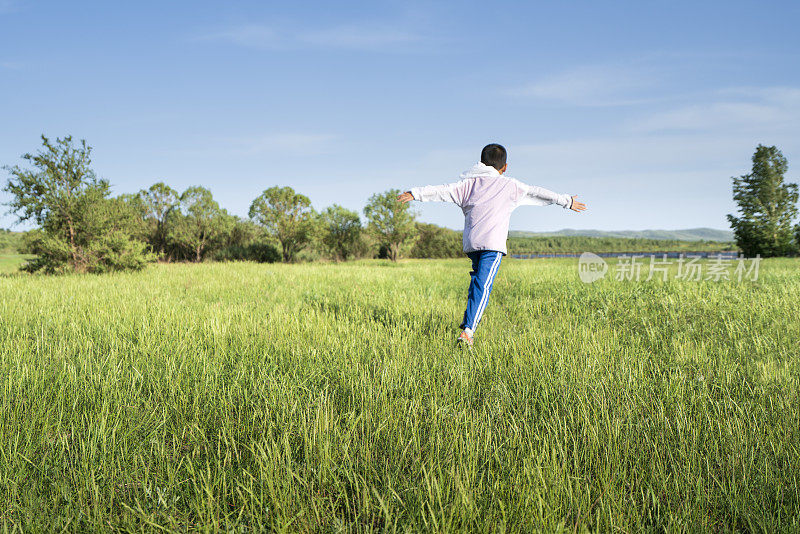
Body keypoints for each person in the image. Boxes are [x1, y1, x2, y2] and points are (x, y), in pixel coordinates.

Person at [398, 143, 587, 346]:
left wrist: (415, 193)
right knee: (483, 286)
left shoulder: (467, 185)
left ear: (481, 162)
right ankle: (468, 332)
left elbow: (441, 191)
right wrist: (566, 201)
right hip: (492, 246)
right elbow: (538, 192)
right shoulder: (510, 186)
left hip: (472, 245)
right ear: (505, 167)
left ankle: (467, 323)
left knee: (477, 283)